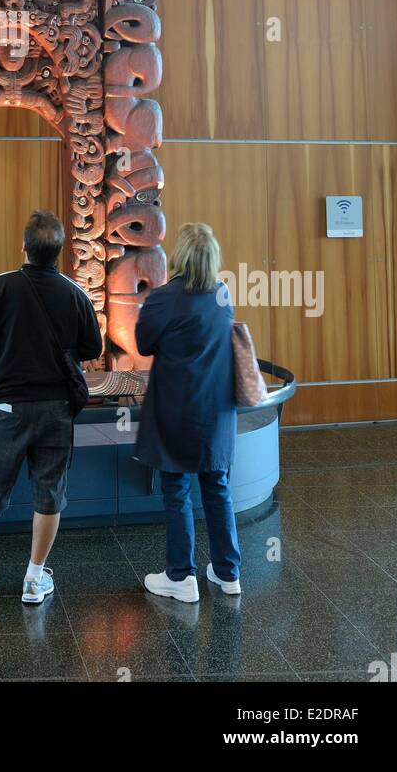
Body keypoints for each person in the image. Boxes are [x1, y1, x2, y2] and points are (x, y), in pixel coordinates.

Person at [0, 209, 103, 604]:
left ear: (23, 247)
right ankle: (34, 579)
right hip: (56, 407)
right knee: (49, 492)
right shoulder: (75, 292)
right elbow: (92, 348)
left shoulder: (0, 288)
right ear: (59, 251)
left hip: (4, 404)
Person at [134, 221, 241, 603]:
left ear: (179, 256)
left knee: (177, 491)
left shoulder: (163, 298)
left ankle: (181, 576)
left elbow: (143, 344)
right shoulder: (223, 295)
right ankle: (228, 573)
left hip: (176, 409)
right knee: (218, 488)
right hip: (217, 411)